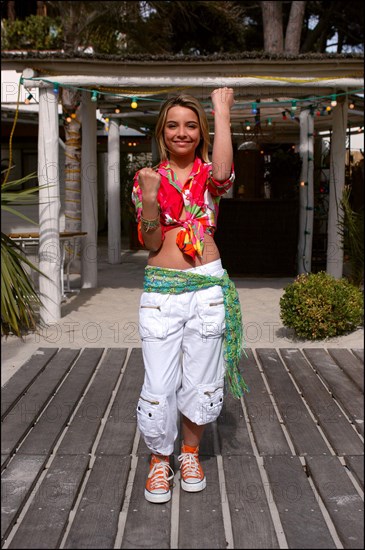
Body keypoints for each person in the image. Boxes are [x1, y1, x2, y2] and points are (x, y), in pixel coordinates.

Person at [131, 87, 248, 505]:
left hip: (206, 288)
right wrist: (147, 199)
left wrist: (221, 111)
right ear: (163, 133)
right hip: (162, 291)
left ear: (200, 132)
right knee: (160, 383)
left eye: (191, 126)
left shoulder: (209, 178)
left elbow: (222, 175)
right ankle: (158, 460)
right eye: (174, 126)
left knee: (200, 381)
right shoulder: (148, 177)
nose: (183, 133)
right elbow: (148, 242)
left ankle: (190, 454)